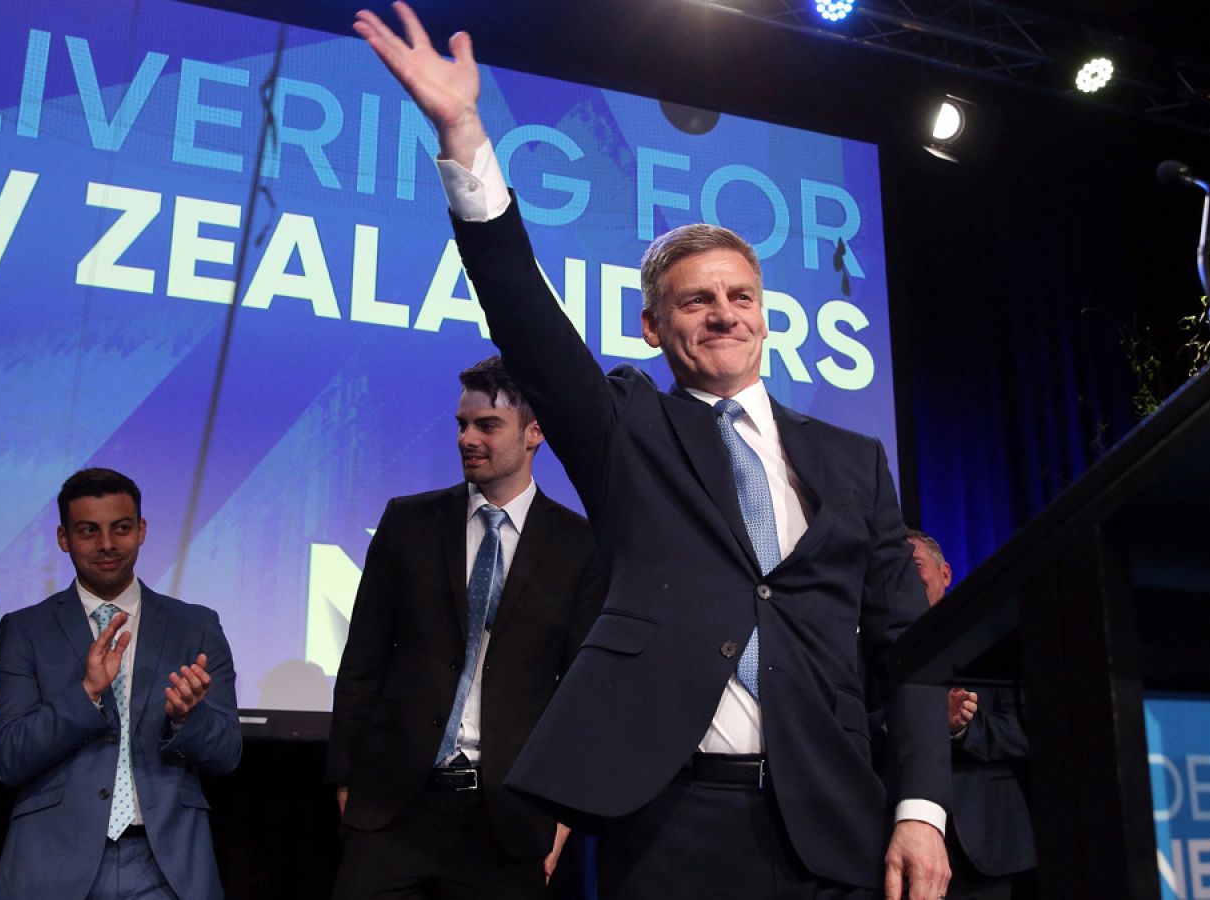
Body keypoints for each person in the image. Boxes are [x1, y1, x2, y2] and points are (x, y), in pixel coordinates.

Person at [353, 6, 951, 897]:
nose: (723, 314)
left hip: (832, 819)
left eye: (741, 296)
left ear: (764, 313)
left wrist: (920, 809)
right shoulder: (630, 426)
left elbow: (910, 645)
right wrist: (464, 134)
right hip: (672, 820)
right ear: (653, 325)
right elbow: (525, 316)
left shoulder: (853, 458)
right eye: (696, 300)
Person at [327, 356, 604, 898]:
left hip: (510, 819)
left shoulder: (580, 546)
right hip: (393, 809)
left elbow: (581, 694)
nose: (466, 438)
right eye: (462, 424)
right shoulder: (408, 522)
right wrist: (346, 781)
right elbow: (363, 660)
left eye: (487, 425)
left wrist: (563, 817)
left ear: (534, 433)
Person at [0, 468, 241, 900]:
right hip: (53, 860)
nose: (107, 544)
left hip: (167, 864)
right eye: (88, 531)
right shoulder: (25, 629)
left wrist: (186, 719)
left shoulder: (195, 625)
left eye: (120, 528)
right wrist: (85, 694)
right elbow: (7, 758)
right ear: (64, 538)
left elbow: (228, 753)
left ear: (140, 530)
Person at [908, 531, 1035, 900]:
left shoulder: (990, 639)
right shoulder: (870, 649)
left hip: (986, 848)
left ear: (945, 573)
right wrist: (930, 721)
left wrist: (961, 730)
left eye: (915, 566)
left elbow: (1028, 728)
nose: (906, 578)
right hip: (899, 844)